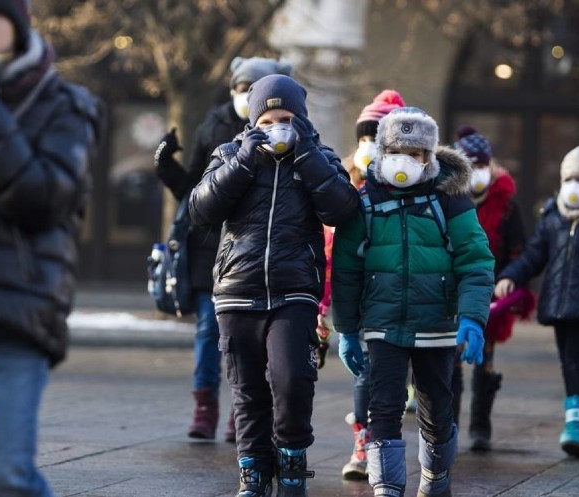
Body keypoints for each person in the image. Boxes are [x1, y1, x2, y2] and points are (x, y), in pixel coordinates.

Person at [189, 74, 360, 497]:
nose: (276, 126)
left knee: (291, 380)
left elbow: (343, 208)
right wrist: (244, 160)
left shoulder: (319, 155)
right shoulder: (231, 153)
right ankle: (253, 473)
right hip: (236, 290)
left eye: (285, 118)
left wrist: (306, 155)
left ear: (301, 120)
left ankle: (291, 464)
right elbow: (201, 208)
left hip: (294, 291)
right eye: (266, 119)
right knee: (246, 390)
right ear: (252, 120)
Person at [331, 106, 494, 497]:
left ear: (430, 158)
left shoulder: (449, 200)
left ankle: (436, 476)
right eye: (398, 150)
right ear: (384, 152)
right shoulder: (364, 202)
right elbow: (347, 268)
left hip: (436, 325)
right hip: (382, 324)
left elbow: (476, 259)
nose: (406, 160)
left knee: (436, 406)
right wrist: (347, 330)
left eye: (417, 153)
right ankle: (386, 485)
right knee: (382, 407)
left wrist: (472, 317)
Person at [0, 1, 100, 495]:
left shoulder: (67, 106)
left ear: (14, 25)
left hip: (18, 305)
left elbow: (42, 199)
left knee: (6, 473)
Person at [154, 56, 292, 443]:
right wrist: (167, 166)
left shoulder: (285, 133)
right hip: (208, 249)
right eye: (239, 88)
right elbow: (196, 192)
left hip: (252, 254)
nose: (244, 95)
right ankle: (204, 409)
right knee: (205, 331)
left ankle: (239, 411)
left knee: (246, 340)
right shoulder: (213, 125)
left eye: (253, 88)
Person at [495, 145, 579, 458]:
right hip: (559, 304)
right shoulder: (553, 216)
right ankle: (577, 421)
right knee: (569, 360)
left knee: (574, 358)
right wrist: (511, 276)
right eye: (569, 178)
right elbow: (534, 255)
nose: (574, 185)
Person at [317, 88, 405, 481]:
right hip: (358, 296)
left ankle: (396, 448)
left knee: (389, 376)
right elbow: (329, 252)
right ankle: (364, 444)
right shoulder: (344, 184)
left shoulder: (409, 184)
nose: (369, 144)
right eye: (364, 136)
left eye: (378, 136)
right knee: (363, 372)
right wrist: (323, 307)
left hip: (397, 295)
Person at [451, 125, 533, 451]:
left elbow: (519, 249)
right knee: (451, 360)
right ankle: (449, 424)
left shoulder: (507, 206)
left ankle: (481, 424)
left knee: (485, 358)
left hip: (490, 294)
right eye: (470, 166)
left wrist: (509, 278)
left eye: (482, 165)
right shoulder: (448, 199)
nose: (477, 173)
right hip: (453, 291)